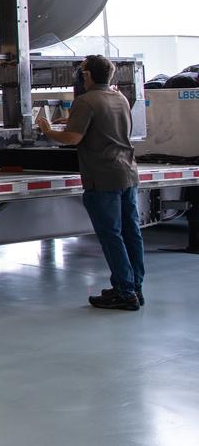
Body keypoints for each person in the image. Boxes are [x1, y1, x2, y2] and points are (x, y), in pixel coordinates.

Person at [36, 54, 143, 311]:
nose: (80, 76)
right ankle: (134, 286)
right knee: (131, 233)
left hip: (103, 177)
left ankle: (124, 292)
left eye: (82, 72)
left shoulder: (85, 101)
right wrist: (72, 120)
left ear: (88, 75)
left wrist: (47, 128)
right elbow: (103, 126)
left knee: (111, 235)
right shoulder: (120, 98)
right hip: (128, 173)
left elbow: (73, 138)